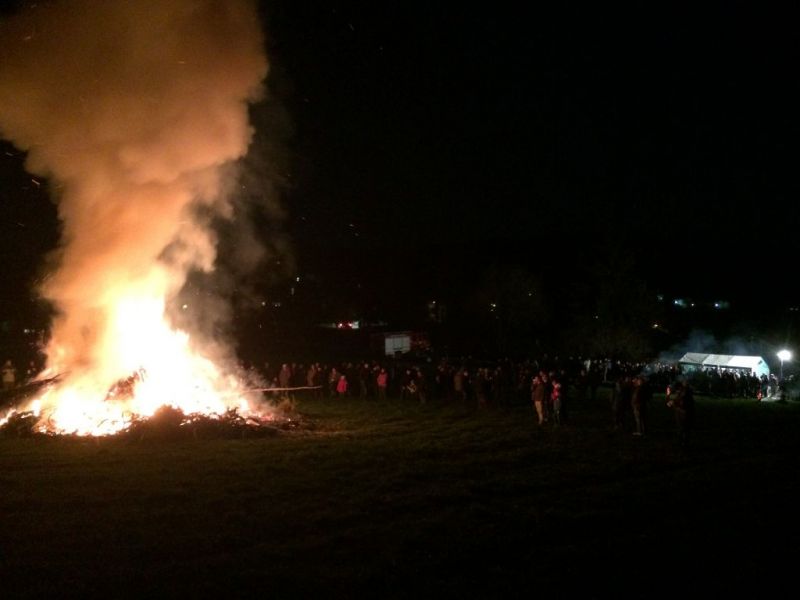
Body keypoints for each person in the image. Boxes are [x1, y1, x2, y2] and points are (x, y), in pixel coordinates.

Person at [666, 380, 695, 446]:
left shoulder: (684, 394)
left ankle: (683, 442)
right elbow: (670, 404)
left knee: (683, 428)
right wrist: (669, 397)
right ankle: (683, 441)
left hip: (683, 413)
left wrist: (670, 399)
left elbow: (676, 403)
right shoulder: (682, 393)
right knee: (683, 428)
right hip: (682, 412)